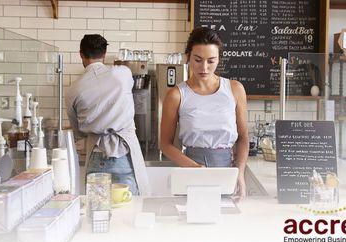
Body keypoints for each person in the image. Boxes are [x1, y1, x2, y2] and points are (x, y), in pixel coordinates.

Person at [160, 27, 249, 198]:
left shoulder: (235, 89)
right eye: (198, 60)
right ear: (188, 57)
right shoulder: (177, 95)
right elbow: (165, 144)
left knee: (228, 222)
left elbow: (244, 137)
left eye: (211, 61)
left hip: (227, 171)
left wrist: (240, 173)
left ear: (218, 59)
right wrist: (195, 169)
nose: (204, 68)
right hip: (191, 169)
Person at [65, 34, 150, 196]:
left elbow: (78, 132)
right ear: (104, 54)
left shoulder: (73, 90)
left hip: (96, 155)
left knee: (98, 212)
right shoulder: (123, 74)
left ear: (81, 54)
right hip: (124, 155)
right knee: (128, 211)